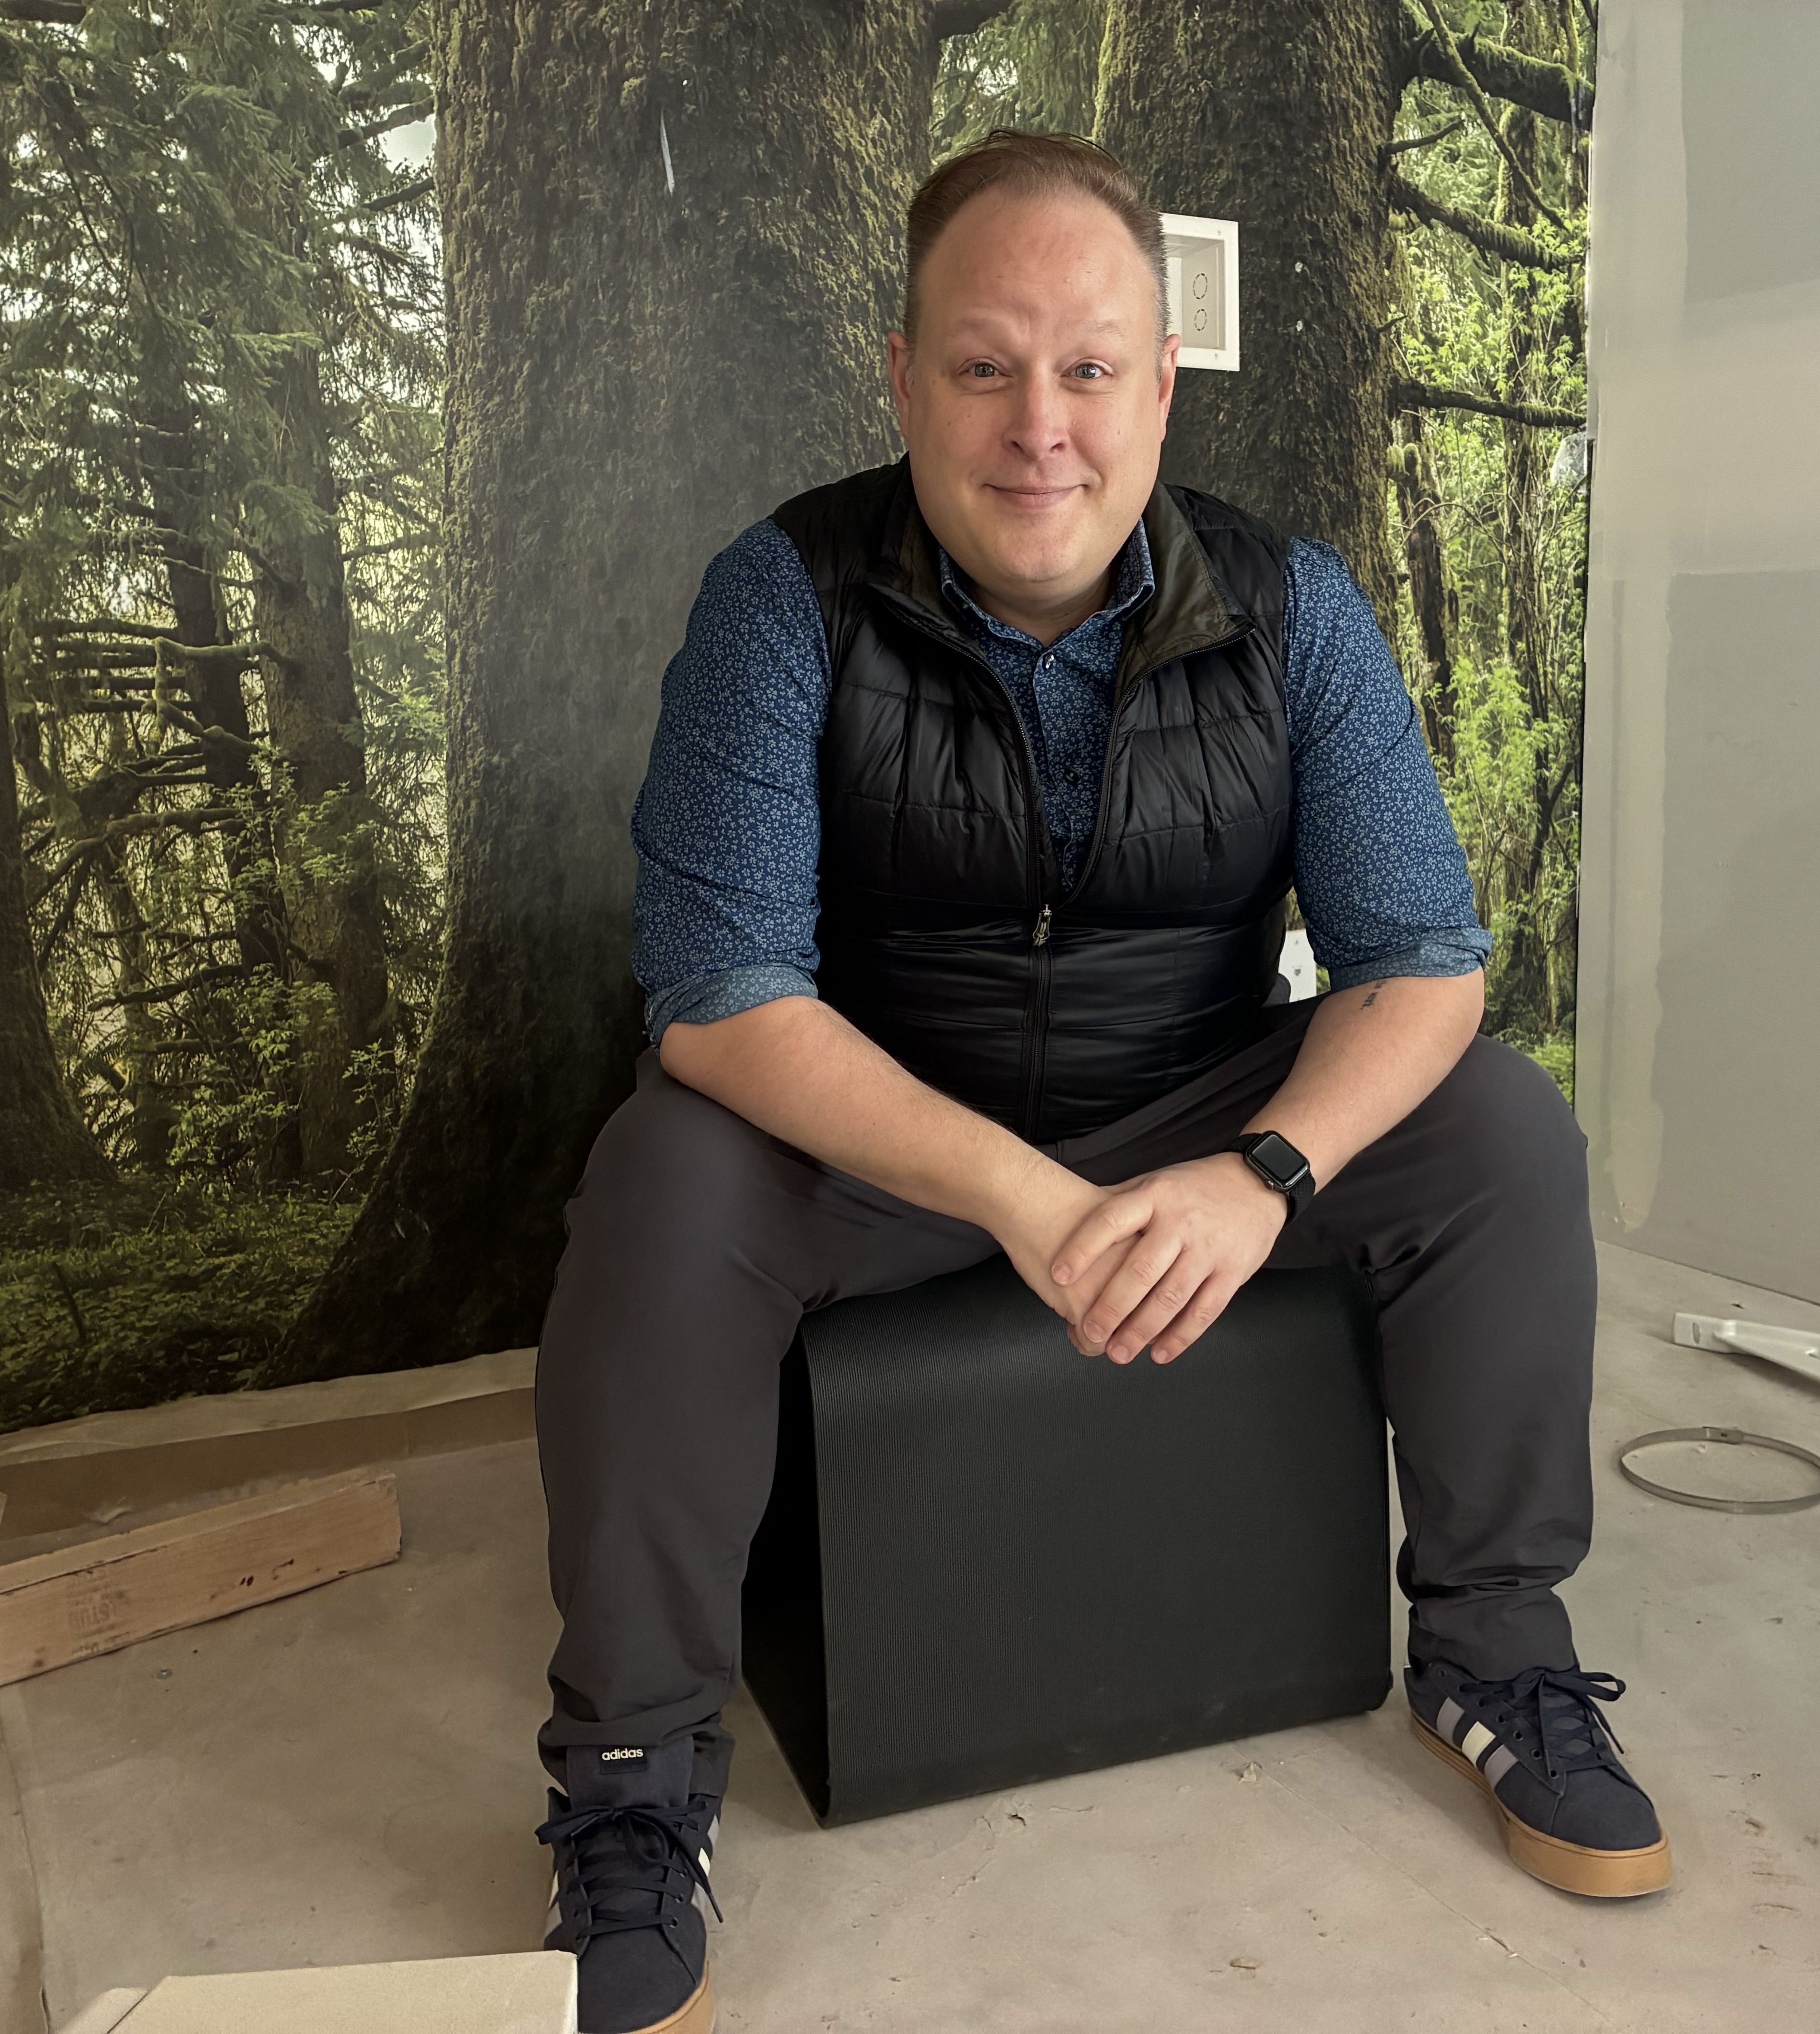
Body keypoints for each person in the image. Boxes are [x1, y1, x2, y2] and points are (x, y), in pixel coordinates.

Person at [530, 129, 1670, 2034]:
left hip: (1192, 1105)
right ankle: (634, 1778)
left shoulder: (1293, 606)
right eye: (985, 367)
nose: (1039, 425)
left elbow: (1422, 965)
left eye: (1089, 369)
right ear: (903, 378)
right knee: (663, 1179)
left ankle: (1494, 1648)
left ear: (1161, 381)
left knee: (1499, 1131)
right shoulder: (779, 596)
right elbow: (723, 997)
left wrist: (1265, 1175)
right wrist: (1020, 1197)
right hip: (880, 1134)